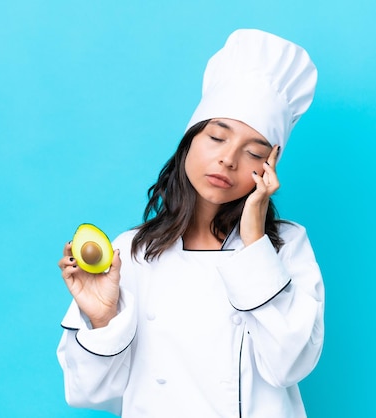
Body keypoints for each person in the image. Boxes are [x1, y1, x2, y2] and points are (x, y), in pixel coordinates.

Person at [57, 28, 325, 417]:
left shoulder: (286, 245)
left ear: (268, 166)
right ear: (190, 140)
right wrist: (102, 319)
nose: (228, 160)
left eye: (253, 151)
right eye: (217, 137)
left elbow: (288, 365)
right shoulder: (131, 252)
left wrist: (253, 241)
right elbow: (88, 393)